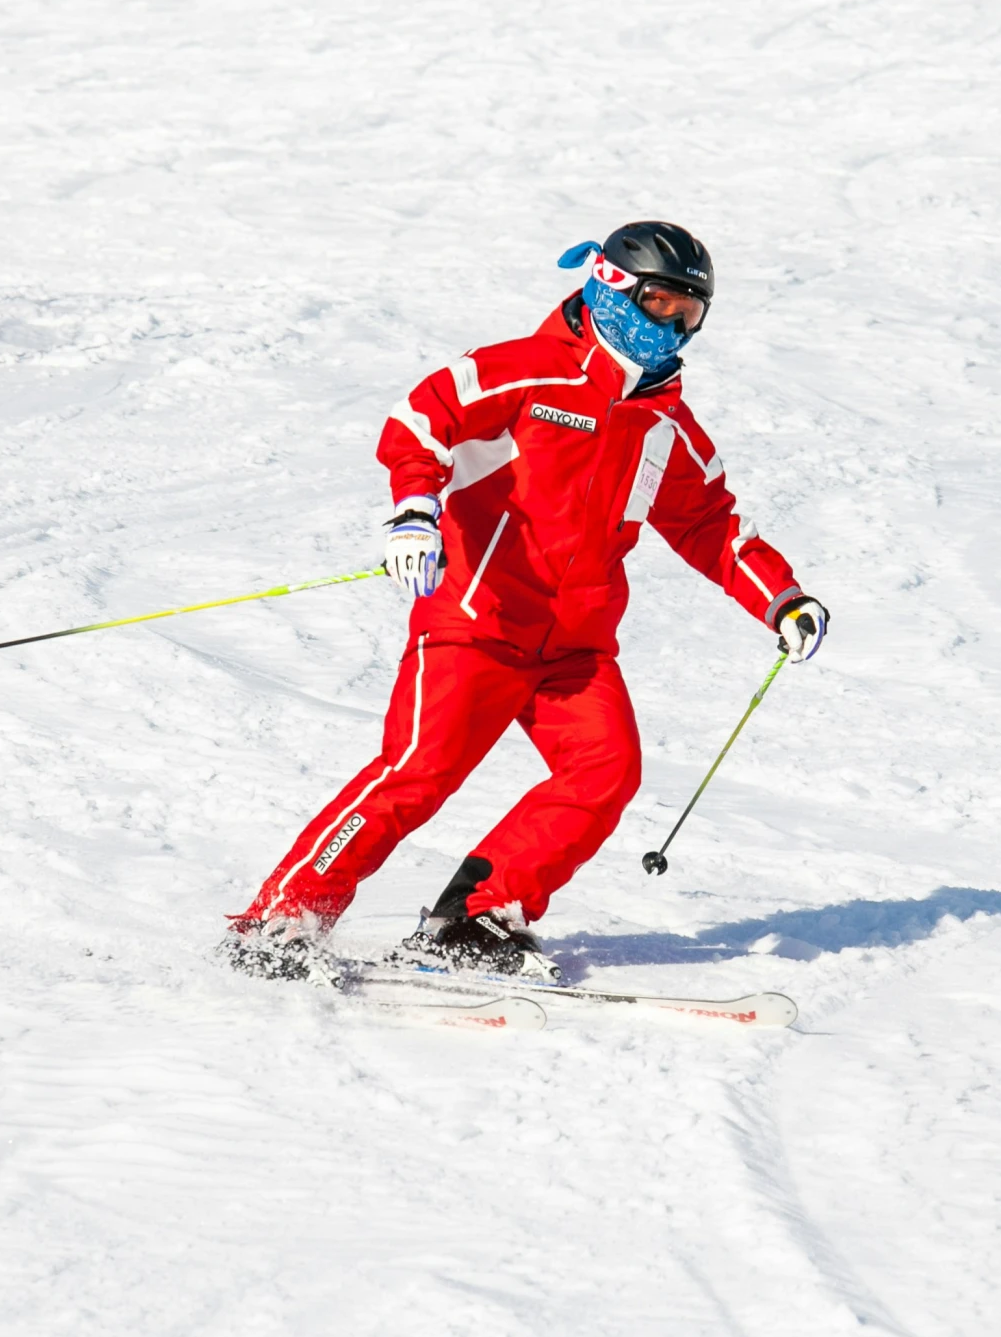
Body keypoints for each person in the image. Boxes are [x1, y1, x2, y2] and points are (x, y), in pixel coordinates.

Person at [226, 222, 828, 981]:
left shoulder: (665, 425)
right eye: (661, 301)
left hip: (574, 648)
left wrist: (783, 597)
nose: (674, 324)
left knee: (606, 769)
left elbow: (712, 525)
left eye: (690, 313)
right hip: (475, 626)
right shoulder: (526, 372)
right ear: (612, 287)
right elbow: (421, 418)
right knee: (418, 773)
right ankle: (282, 918)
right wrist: (416, 511)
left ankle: (474, 918)